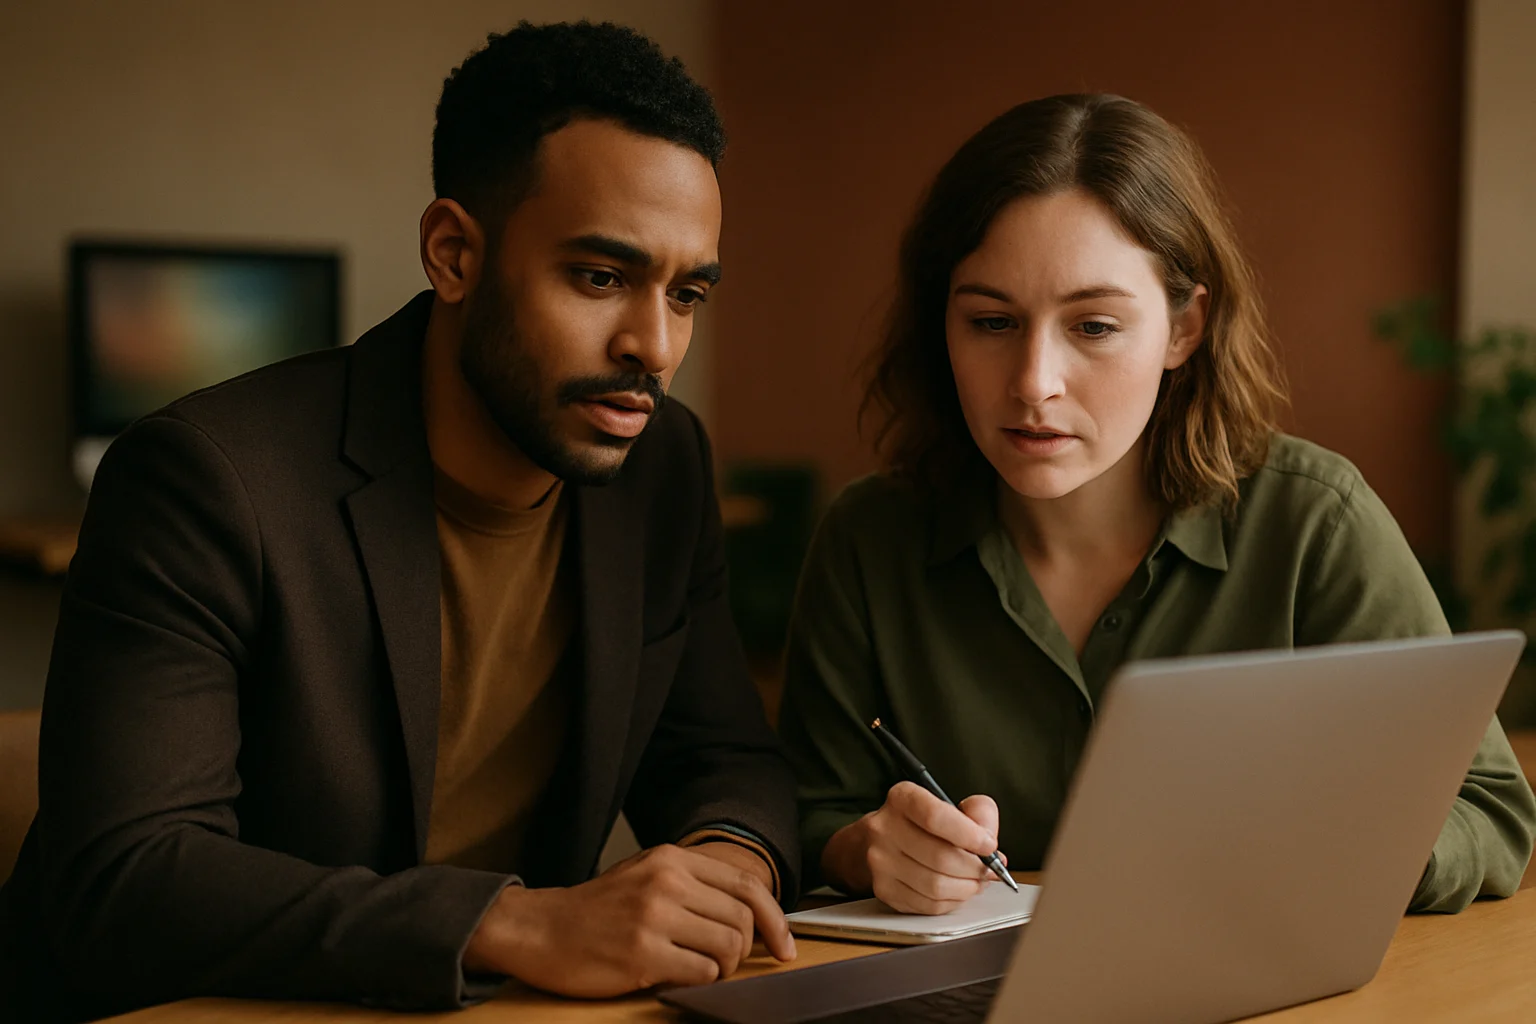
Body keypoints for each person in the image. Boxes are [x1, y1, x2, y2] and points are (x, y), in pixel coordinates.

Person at [0, 21, 799, 1022]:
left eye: (686, 294)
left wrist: (726, 863)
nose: (654, 345)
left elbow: (721, 756)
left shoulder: (663, 467)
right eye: (601, 277)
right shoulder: (204, 479)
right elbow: (128, 879)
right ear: (454, 252)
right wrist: (516, 925)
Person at [777, 93, 1536, 918]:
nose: (1034, 382)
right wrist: (867, 848)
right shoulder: (867, 538)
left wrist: (1332, 846)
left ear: (1184, 329)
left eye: (1094, 326)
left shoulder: (1313, 524)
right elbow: (809, 813)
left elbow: (1489, 813)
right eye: (992, 322)